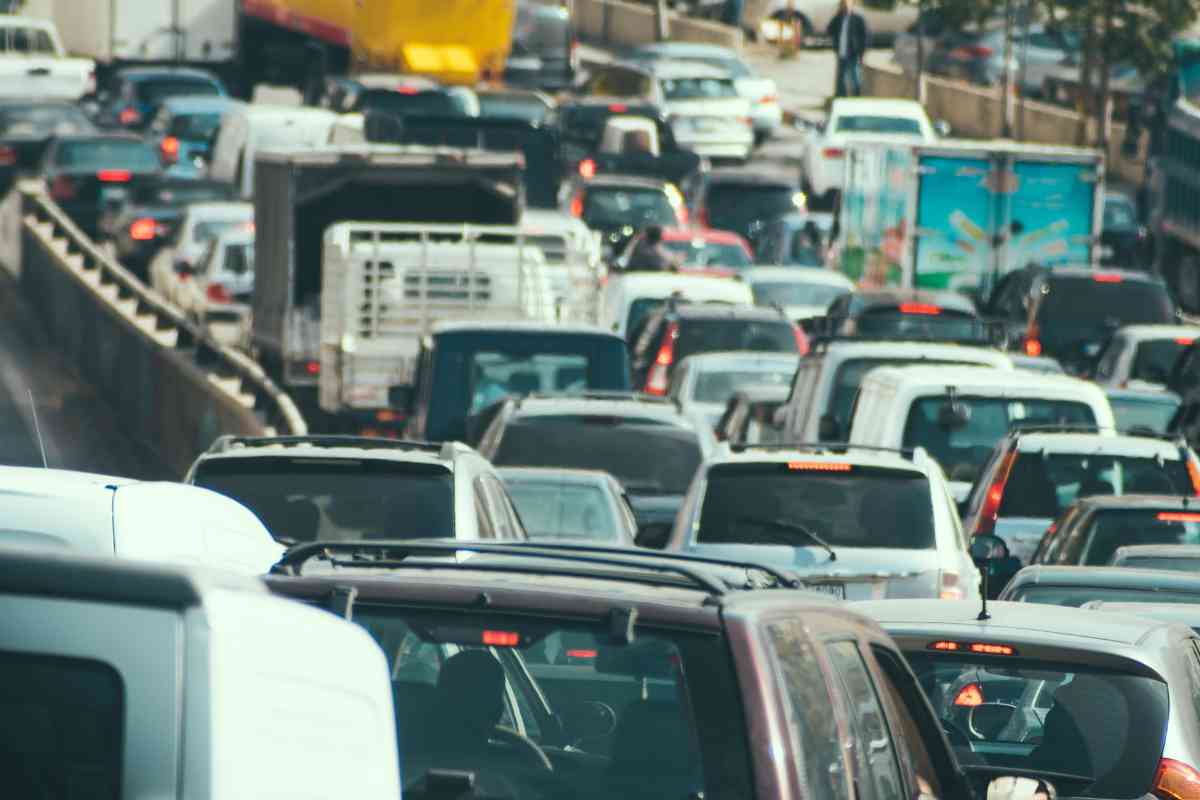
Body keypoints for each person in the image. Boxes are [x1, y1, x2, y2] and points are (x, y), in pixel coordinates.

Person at [826, 0, 869, 98]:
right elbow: (829, 30)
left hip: (853, 53)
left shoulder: (858, 19)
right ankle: (841, 96)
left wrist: (861, 53)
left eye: (847, 4)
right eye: (843, 5)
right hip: (841, 52)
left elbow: (864, 37)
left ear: (852, 5)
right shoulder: (839, 19)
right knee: (841, 77)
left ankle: (857, 96)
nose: (845, 7)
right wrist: (837, 15)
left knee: (855, 77)